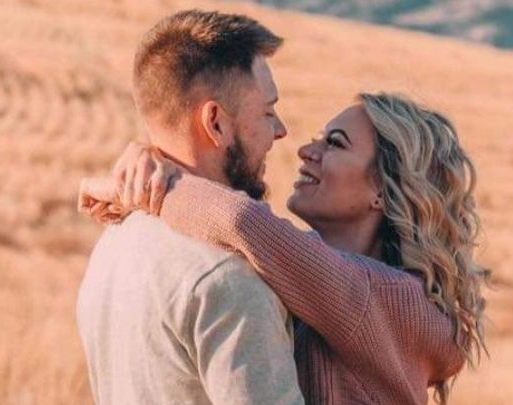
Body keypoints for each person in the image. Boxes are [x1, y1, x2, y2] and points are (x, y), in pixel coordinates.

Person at [81, 93, 489, 404]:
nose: (307, 151)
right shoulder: (314, 279)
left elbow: (242, 223)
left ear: (383, 190)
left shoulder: (382, 297)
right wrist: (148, 158)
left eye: (335, 143)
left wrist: (149, 185)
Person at [75, 10, 304, 405]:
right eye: (267, 111)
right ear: (215, 123)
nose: (280, 130)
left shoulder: (112, 245)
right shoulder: (228, 281)